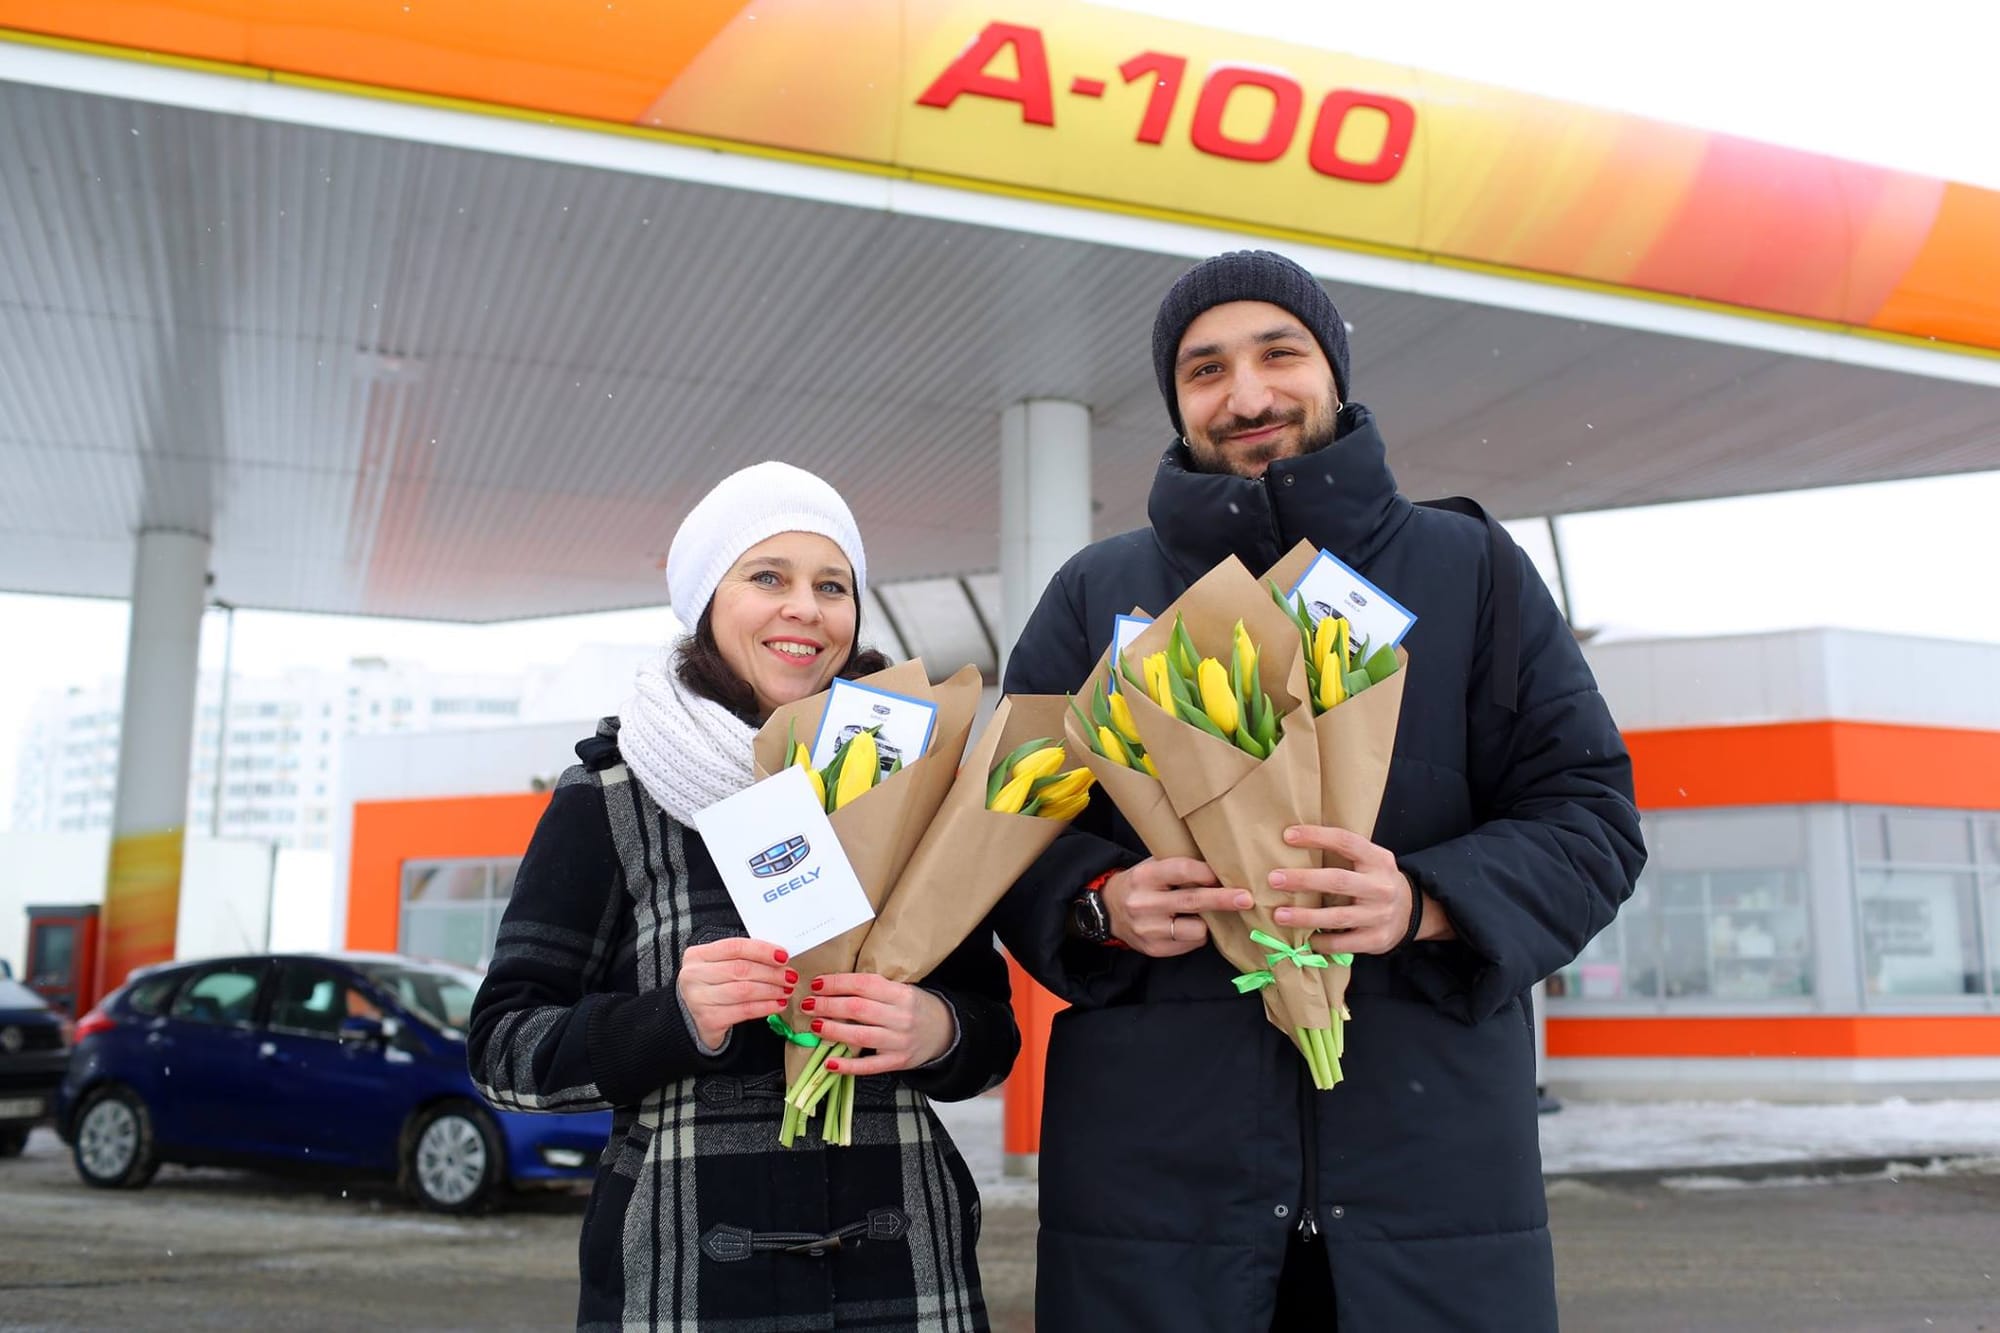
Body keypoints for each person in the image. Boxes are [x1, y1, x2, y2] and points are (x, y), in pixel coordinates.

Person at [995, 251, 1646, 1331]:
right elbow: (1007, 825)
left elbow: (1589, 818)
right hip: (1156, 1204)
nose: (1246, 395)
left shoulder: (1471, 570)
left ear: (1333, 370)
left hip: (1427, 1201)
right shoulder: (1094, 593)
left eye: (1277, 353)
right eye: (1205, 369)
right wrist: (1097, 905)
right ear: (1175, 400)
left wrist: (1427, 901)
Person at [468, 461, 1018, 1332]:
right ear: (706, 602)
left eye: (832, 585)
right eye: (768, 577)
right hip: (688, 1280)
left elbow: (992, 1036)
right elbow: (503, 1050)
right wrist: (673, 1019)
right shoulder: (613, 794)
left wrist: (939, 1030)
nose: (806, 608)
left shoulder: (914, 780)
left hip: (904, 1274)